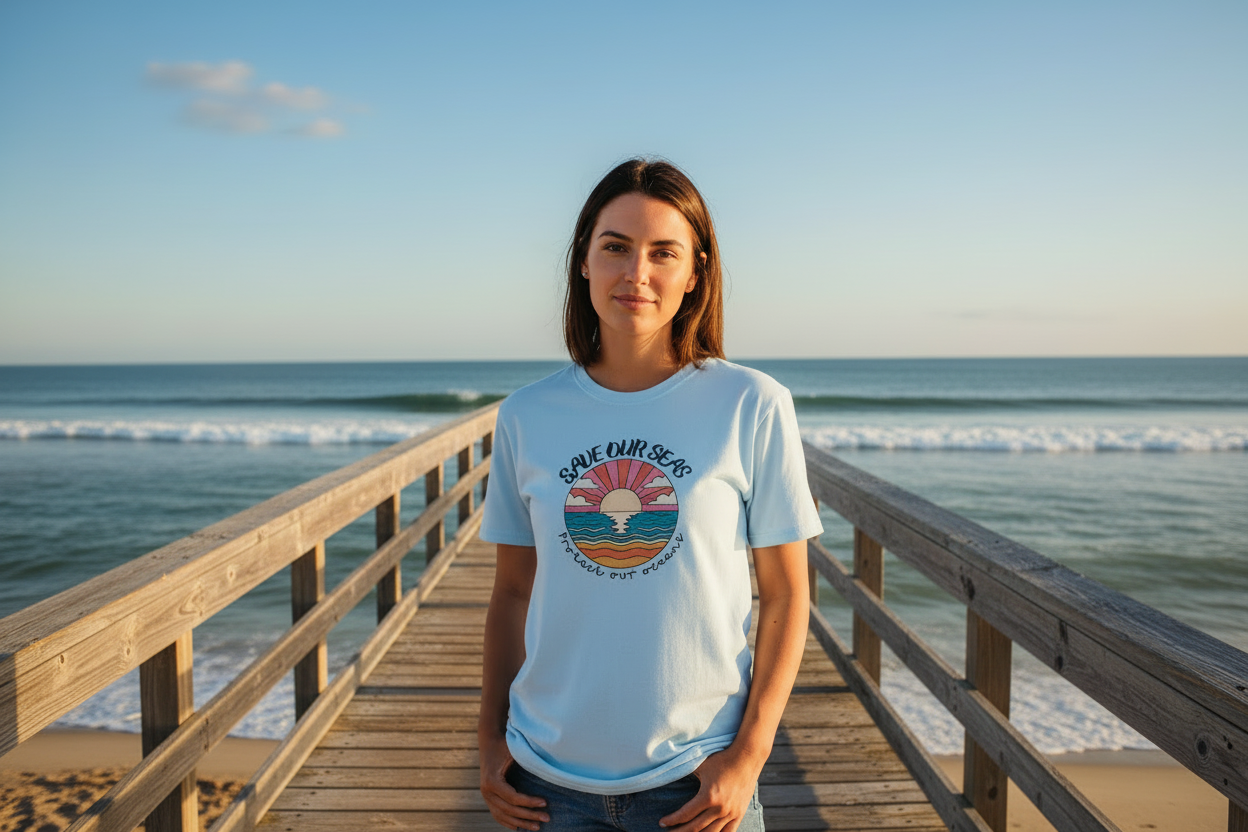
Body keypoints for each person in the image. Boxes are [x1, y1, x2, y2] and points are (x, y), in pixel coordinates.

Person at [477, 158, 823, 832]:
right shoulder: (527, 415)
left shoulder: (751, 404)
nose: (636, 273)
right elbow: (512, 593)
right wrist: (490, 742)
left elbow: (787, 593)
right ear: (583, 262)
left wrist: (748, 758)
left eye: (663, 252)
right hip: (546, 783)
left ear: (695, 273)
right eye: (615, 247)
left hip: (695, 783)